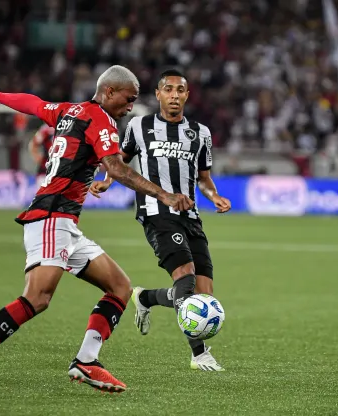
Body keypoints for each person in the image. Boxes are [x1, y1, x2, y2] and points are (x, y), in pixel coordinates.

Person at [0, 65, 195, 400]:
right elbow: (115, 168)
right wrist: (164, 195)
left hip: (66, 223)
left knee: (119, 287)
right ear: (109, 92)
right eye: (128, 99)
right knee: (37, 298)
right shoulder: (102, 120)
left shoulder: (68, 111)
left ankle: (86, 361)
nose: (131, 106)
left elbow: (33, 104)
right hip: (49, 217)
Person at [89, 69, 231, 371]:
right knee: (185, 276)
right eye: (169, 89)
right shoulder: (139, 126)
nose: (175, 95)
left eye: (180, 90)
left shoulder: (200, 133)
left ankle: (145, 298)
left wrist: (214, 195)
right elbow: (120, 161)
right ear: (158, 94)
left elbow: (203, 178)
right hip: (156, 212)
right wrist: (106, 181)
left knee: (204, 294)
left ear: (187, 95)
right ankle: (199, 354)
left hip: (190, 215)